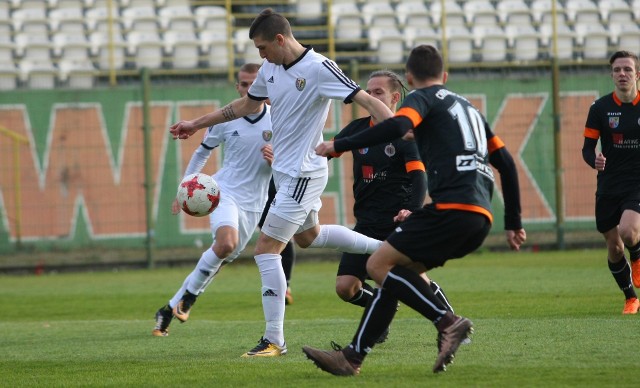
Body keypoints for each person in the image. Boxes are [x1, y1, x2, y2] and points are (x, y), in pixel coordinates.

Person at [169, 8, 395, 357]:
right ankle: (388, 249)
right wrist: (197, 123)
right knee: (310, 237)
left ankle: (274, 340)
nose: (260, 55)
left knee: (265, 249)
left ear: (280, 39)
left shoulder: (319, 68)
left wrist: (401, 131)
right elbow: (246, 104)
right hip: (286, 172)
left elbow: (365, 99)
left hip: (304, 173)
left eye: (262, 47)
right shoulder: (271, 69)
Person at [302, 44, 526, 375]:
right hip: (481, 216)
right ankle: (352, 357)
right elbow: (506, 163)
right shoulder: (470, 110)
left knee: (379, 265)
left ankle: (447, 322)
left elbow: (395, 127)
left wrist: (338, 143)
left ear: (408, 79)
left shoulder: (422, 99)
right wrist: (513, 221)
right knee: (392, 272)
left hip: (450, 209)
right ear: (445, 76)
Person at [330, 70, 456, 343]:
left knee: (417, 280)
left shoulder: (405, 133)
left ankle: (451, 323)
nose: (370, 97)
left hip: (397, 222)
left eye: (378, 92)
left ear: (395, 97)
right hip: (365, 223)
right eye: (368, 91)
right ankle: (382, 307)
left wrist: (411, 208)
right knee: (345, 287)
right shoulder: (357, 130)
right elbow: (325, 153)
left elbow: (418, 174)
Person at [152, 63, 275, 342]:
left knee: (221, 259)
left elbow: (295, 162)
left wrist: (276, 161)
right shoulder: (226, 119)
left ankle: (169, 308)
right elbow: (201, 153)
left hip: (255, 202)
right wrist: (185, 188)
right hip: (224, 192)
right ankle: (190, 297)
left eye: (254, 84)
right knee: (225, 245)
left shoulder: (278, 119)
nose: (248, 89)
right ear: (238, 87)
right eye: (243, 84)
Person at [582, 50, 640, 315]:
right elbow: (587, 148)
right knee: (614, 247)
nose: (622, 74)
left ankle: (637, 257)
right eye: (617, 70)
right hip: (608, 185)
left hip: (636, 182)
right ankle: (630, 297)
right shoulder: (600, 108)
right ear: (612, 75)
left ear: (637, 74)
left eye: (627, 69)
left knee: (629, 231)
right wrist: (594, 161)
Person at [258, 177, 296, 305]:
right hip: (260, 188)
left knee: (285, 236)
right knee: (268, 239)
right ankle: (275, 288)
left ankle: (285, 287)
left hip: (283, 185)